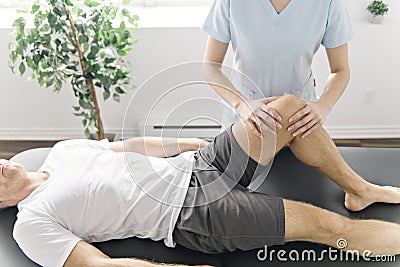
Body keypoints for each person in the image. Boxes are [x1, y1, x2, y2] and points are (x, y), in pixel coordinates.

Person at [2, 94, 400, 267]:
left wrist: (194, 143)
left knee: (288, 109)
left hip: (202, 162)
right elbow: (95, 264)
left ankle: (360, 190)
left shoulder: (61, 150)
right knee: (327, 227)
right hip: (193, 212)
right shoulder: (32, 223)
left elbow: (125, 148)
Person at [202, 0, 354, 138]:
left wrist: (324, 106)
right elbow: (211, 65)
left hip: (299, 118)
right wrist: (241, 104)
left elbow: (340, 70)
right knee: (229, 164)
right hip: (245, 112)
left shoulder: (328, 3)